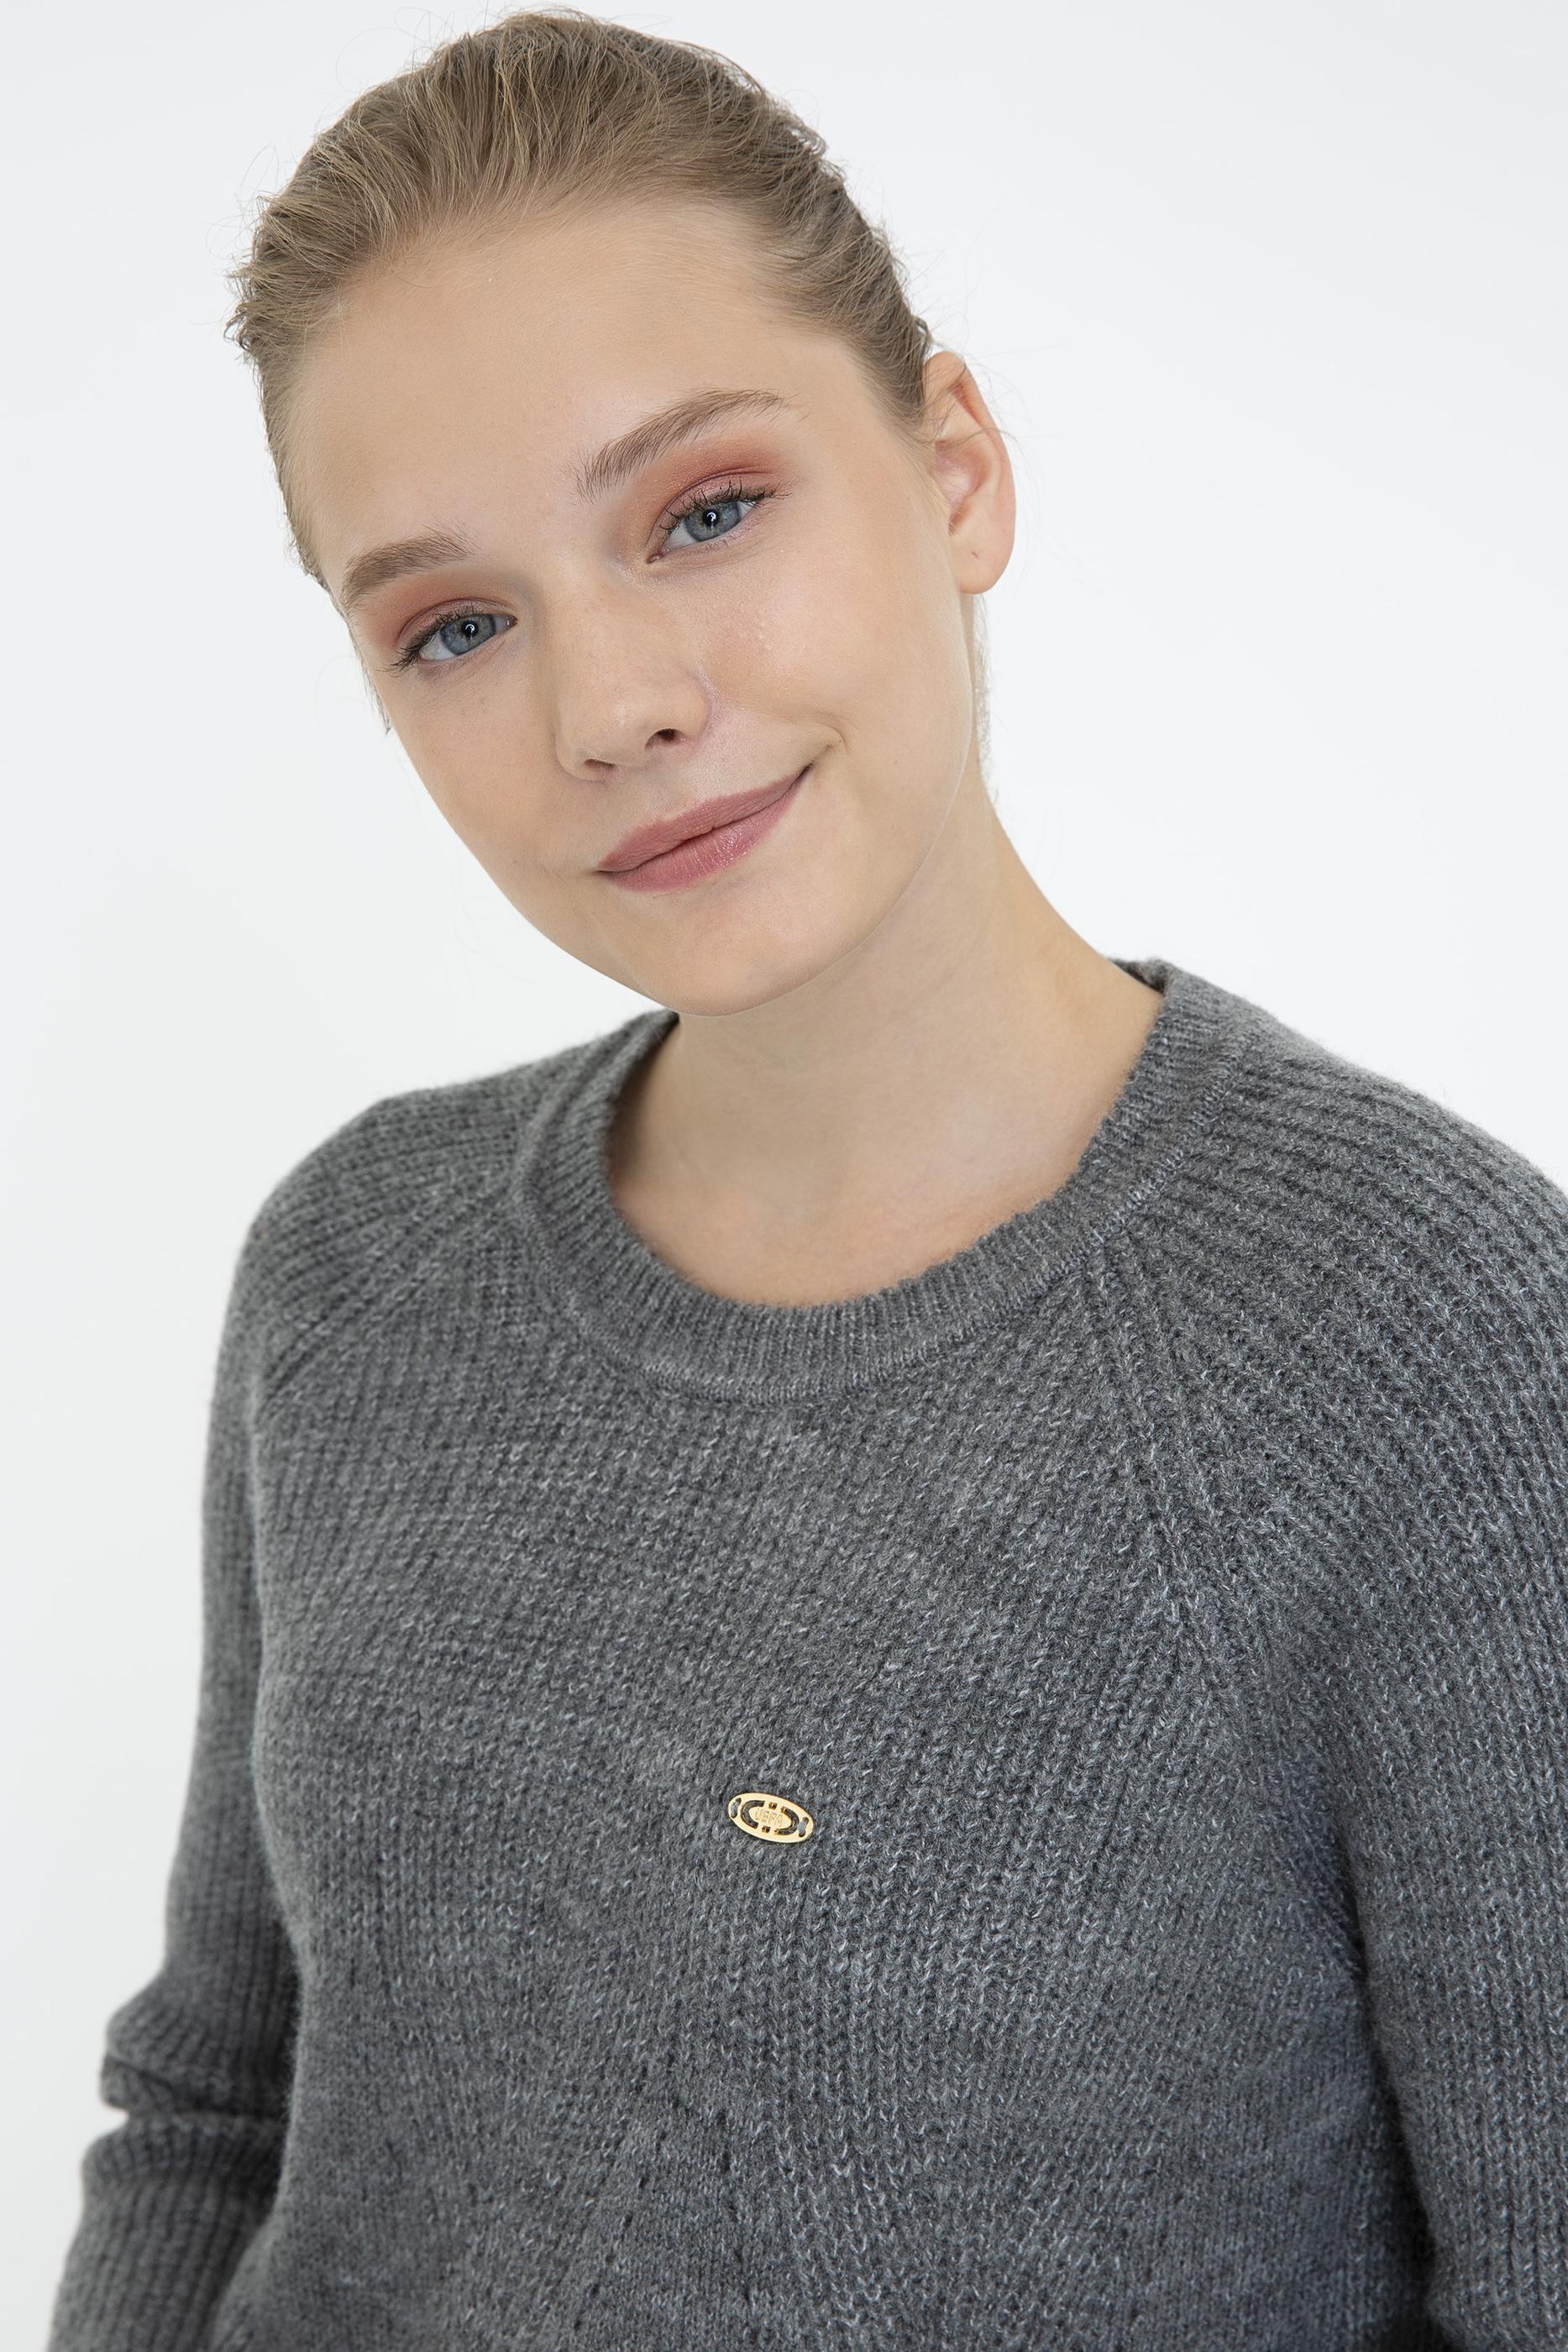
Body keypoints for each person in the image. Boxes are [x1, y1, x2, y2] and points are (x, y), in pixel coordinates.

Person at [45, 12, 1568, 2349]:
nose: (611, 704)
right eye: (453, 625)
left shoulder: (1416, 1338)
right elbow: (215, 2116)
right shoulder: (358, 1267)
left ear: (953, 468)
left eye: (703, 510)